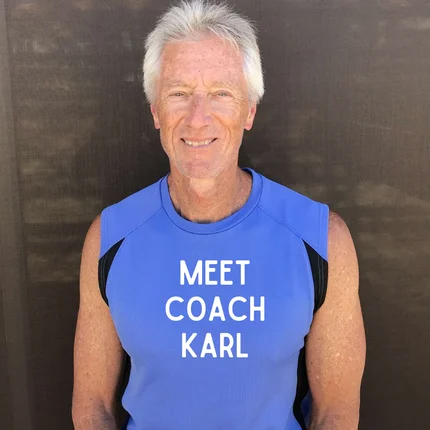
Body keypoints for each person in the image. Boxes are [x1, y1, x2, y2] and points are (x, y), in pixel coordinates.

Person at [72, 1, 366, 429]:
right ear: (155, 111)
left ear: (249, 110)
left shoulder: (321, 240)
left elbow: (335, 412)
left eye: (221, 94)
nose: (198, 118)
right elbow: (92, 405)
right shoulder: (109, 238)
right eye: (178, 93)